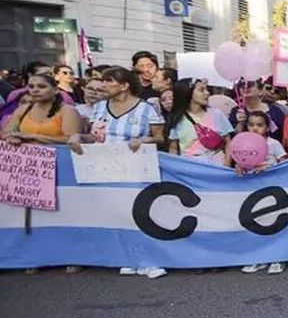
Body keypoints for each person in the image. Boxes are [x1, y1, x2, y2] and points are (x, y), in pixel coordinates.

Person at [66, 66, 166, 279]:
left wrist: (144, 140)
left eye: (108, 81)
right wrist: (79, 138)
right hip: (105, 168)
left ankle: (149, 260)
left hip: (136, 167)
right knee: (116, 215)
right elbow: (96, 136)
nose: (103, 85)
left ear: (124, 85)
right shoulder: (101, 107)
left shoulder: (146, 108)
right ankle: (128, 258)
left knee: (138, 214)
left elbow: (160, 137)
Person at [234, 110, 287, 275]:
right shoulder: (240, 144)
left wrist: (269, 167)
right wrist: (239, 166)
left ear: (267, 127)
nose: (255, 128)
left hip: (271, 189)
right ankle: (259, 258)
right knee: (255, 222)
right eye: (251, 125)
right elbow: (238, 161)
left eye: (259, 125)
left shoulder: (273, 144)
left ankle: (277, 257)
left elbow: (285, 165)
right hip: (251, 190)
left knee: (274, 222)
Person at [1, 70, 82, 145]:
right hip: (29, 158)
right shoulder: (23, 109)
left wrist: (34, 136)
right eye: (31, 87)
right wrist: (10, 138)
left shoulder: (67, 111)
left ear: (56, 90)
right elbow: (7, 132)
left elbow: (72, 139)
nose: (35, 90)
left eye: (42, 87)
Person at [165, 79, 233, 165]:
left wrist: (226, 165)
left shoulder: (216, 114)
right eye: (201, 90)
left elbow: (228, 142)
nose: (207, 93)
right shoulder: (177, 118)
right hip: (189, 168)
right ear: (187, 93)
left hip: (216, 167)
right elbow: (173, 148)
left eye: (206, 89)